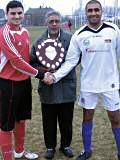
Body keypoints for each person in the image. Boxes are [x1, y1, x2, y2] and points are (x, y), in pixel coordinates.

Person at [45, 0, 120, 160]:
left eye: (96, 10)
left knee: (115, 118)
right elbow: (71, 61)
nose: (93, 13)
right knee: (87, 116)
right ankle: (87, 151)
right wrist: (55, 76)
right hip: (89, 85)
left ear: (101, 11)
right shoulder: (79, 34)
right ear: (86, 13)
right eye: (90, 10)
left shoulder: (114, 30)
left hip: (110, 83)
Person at [0, 1, 45, 160]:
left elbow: (26, 58)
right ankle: (7, 158)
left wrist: (43, 62)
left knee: (21, 119)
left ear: (23, 14)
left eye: (19, 13)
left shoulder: (25, 31)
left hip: (24, 83)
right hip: (8, 83)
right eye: (13, 13)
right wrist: (40, 74)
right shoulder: (4, 33)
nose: (17, 16)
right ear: (7, 15)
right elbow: (16, 62)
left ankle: (19, 152)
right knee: (6, 124)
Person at [30, 11, 76, 159]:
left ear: (61, 22)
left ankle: (65, 146)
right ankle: (50, 147)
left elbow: (75, 59)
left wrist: (59, 71)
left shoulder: (70, 39)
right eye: (51, 21)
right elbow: (32, 63)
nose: (54, 24)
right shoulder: (39, 41)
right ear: (46, 23)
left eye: (57, 21)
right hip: (47, 87)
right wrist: (45, 71)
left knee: (66, 120)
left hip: (66, 86)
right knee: (48, 120)